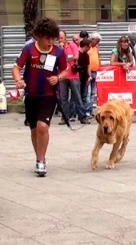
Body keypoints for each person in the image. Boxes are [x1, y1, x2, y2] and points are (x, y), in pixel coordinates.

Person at [11, 17, 68, 177]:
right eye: (47, 38)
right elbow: (16, 68)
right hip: (31, 95)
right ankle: (39, 157)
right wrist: (18, 80)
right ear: (39, 36)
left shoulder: (58, 52)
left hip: (48, 96)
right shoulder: (29, 50)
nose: (50, 42)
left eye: (53, 38)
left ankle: (41, 161)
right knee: (35, 130)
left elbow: (65, 70)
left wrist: (58, 78)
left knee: (43, 127)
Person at [77, 38, 92, 119]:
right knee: (76, 97)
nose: (89, 48)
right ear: (85, 46)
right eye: (89, 46)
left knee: (84, 96)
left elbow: (88, 66)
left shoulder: (86, 55)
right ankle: (73, 114)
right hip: (78, 77)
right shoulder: (77, 54)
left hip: (84, 78)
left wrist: (89, 76)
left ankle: (83, 113)